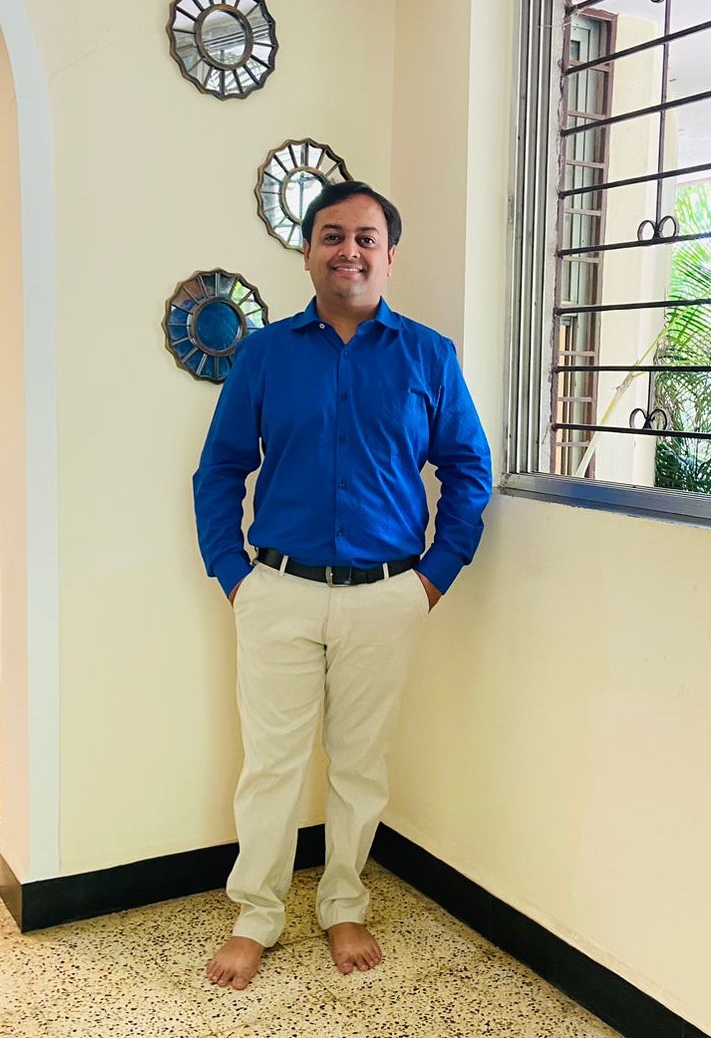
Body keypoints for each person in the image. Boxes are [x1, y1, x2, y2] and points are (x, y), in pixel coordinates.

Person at [193, 180, 492, 991]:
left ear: (389, 255)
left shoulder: (428, 355)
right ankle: (256, 914)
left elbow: (468, 469)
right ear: (308, 252)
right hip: (277, 590)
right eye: (332, 235)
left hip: (387, 596)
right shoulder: (264, 354)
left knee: (360, 763)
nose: (348, 251)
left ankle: (342, 903)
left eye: (365, 238)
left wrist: (433, 577)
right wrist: (233, 575)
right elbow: (219, 469)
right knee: (271, 765)